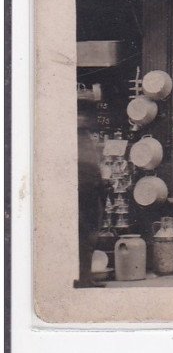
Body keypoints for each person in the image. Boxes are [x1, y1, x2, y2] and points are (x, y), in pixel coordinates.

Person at [75, 100, 105, 288]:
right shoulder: (74, 138)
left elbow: (93, 165)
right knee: (82, 234)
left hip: (92, 191)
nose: (83, 119)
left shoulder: (85, 137)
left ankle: (85, 276)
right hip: (81, 191)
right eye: (80, 115)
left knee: (88, 236)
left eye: (85, 116)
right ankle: (82, 277)